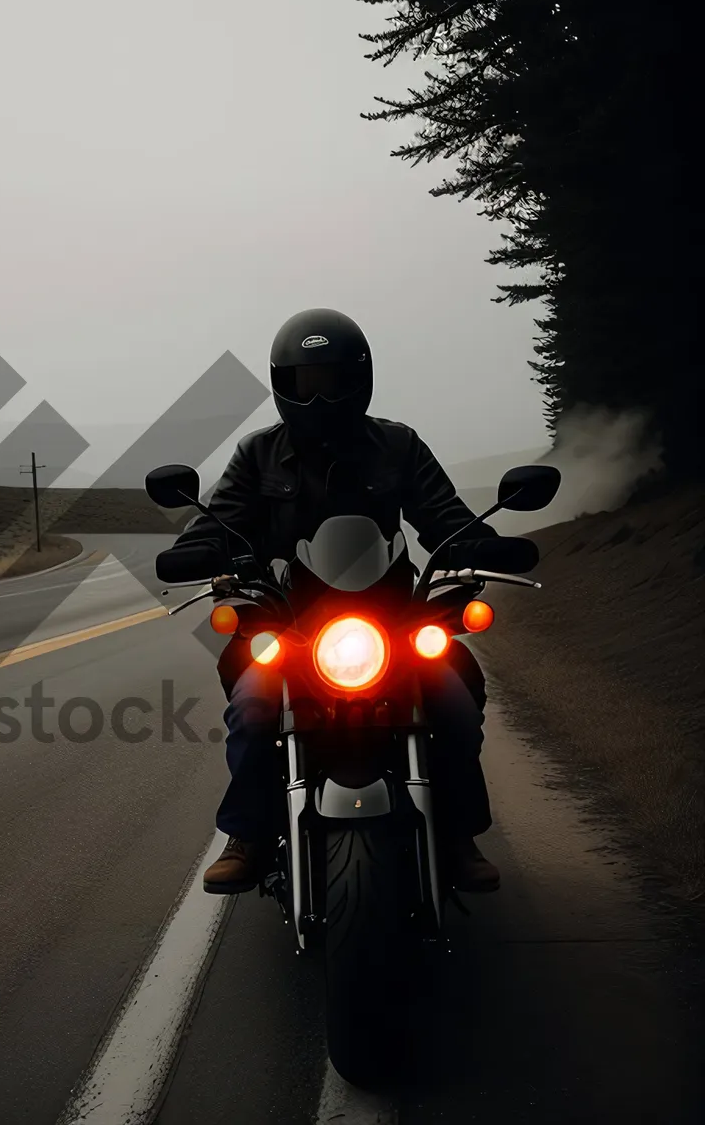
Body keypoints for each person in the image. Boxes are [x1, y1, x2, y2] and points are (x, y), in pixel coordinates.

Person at [156, 308, 539, 896]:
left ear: (359, 378)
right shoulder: (258, 455)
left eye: (331, 382)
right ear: (282, 385)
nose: (317, 399)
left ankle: (458, 834)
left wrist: (483, 547)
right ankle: (249, 835)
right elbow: (223, 521)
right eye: (303, 385)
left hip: (390, 621)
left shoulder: (398, 445)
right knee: (255, 709)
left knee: (456, 704)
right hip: (291, 627)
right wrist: (197, 553)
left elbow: (444, 516)